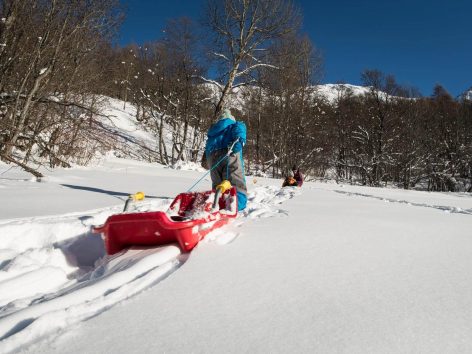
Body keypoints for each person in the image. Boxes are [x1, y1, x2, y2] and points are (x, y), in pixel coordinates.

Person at [203, 108, 247, 211]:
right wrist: (239, 141)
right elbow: (240, 131)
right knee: (234, 179)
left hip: (212, 156)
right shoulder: (235, 124)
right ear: (230, 117)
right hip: (229, 152)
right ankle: (236, 203)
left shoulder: (213, 130)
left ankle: (217, 203)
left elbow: (208, 145)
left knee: (217, 183)